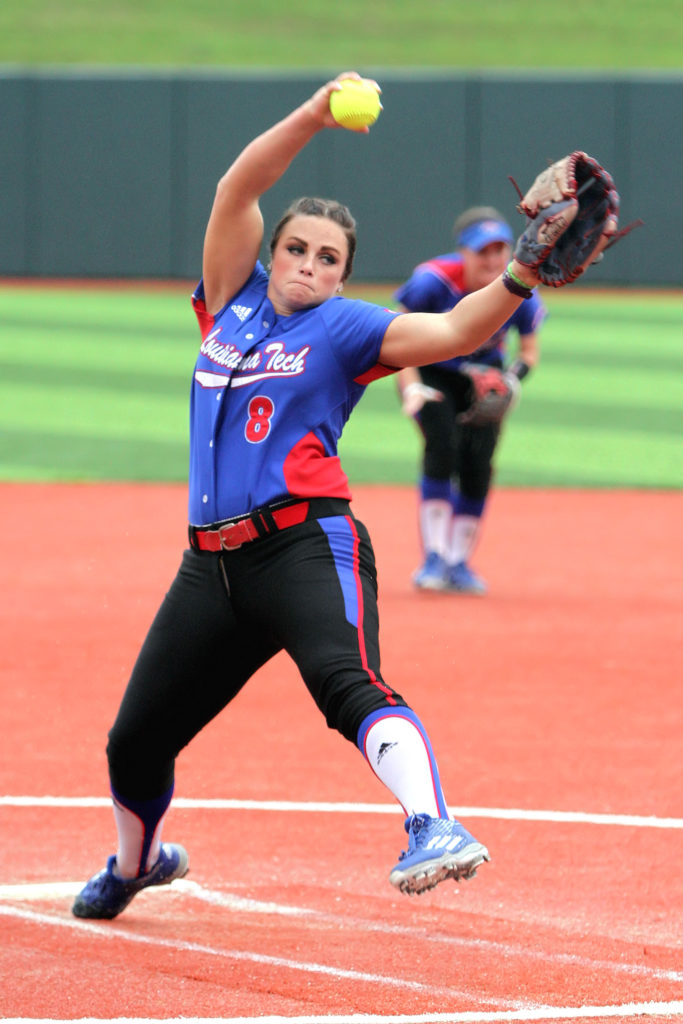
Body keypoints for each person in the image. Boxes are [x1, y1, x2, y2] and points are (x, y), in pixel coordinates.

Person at [71, 73, 555, 920]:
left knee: (346, 682)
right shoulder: (231, 301)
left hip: (304, 544)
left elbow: (452, 331)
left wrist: (517, 277)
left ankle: (430, 823)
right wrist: (313, 113)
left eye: (327, 258)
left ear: (342, 276)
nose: (307, 264)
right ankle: (137, 860)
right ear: (274, 253)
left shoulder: (347, 330)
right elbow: (238, 188)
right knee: (135, 737)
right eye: (296, 248)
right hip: (209, 570)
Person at [395, 207, 547, 595]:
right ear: (463, 252)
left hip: (486, 380)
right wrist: (410, 387)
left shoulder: (520, 288)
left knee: (478, 465)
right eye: (483, 251)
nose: (493, 259)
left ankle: (458, 562)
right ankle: (433, 557)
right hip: (431, 370)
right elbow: (395, 331)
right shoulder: (433, 280)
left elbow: (528, 352)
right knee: (442, 447)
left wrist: (509, 381)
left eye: (500, 250)